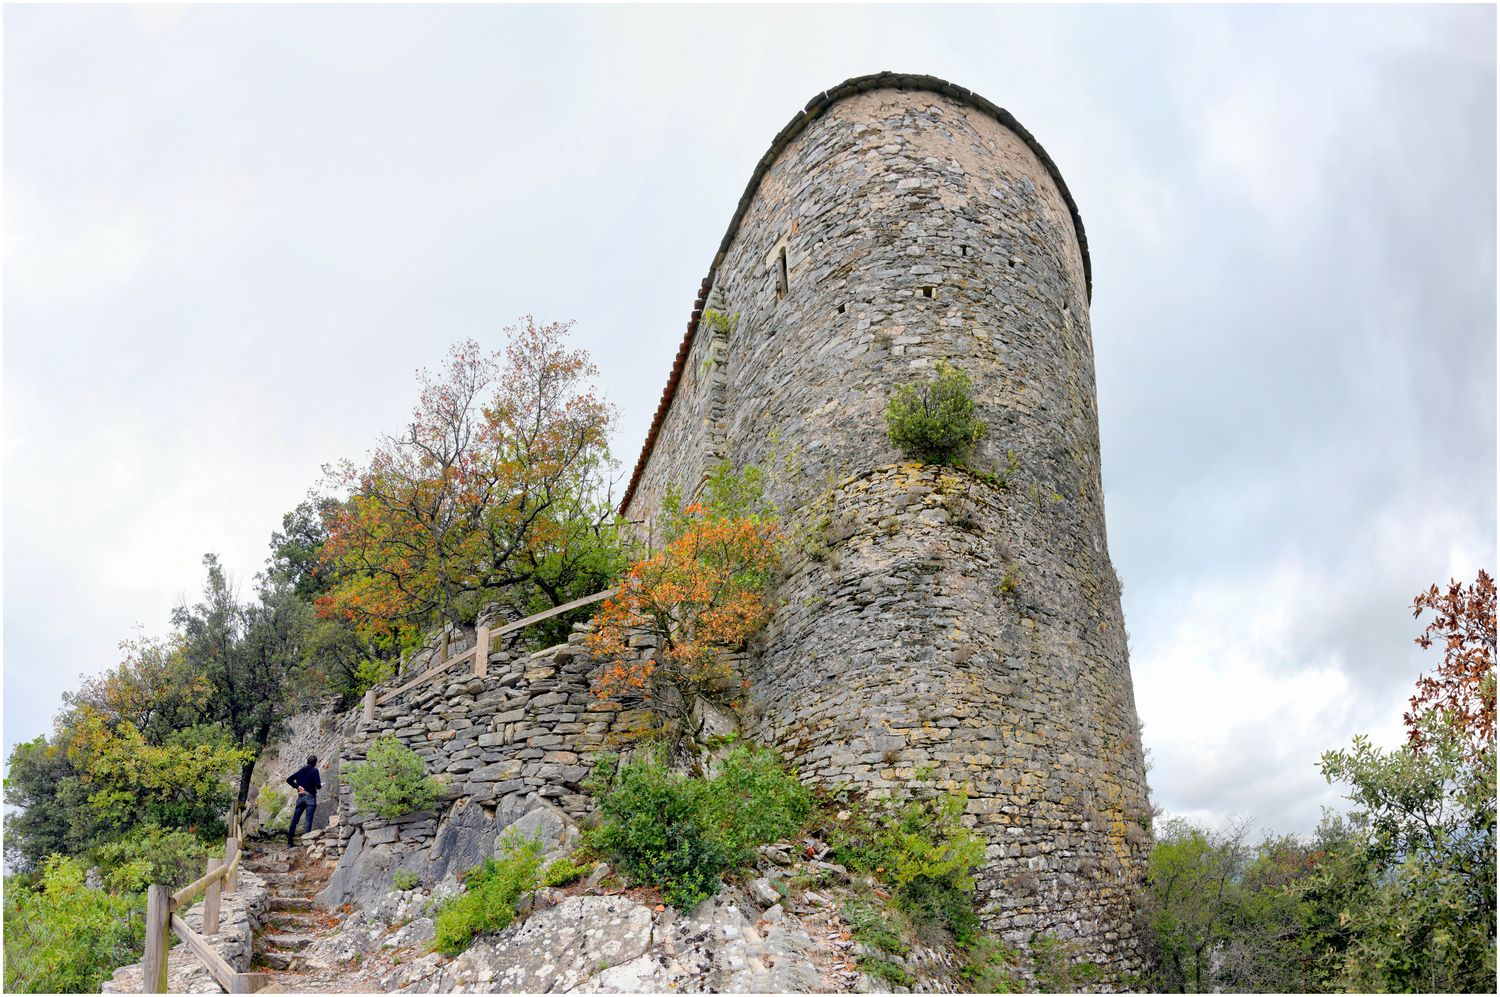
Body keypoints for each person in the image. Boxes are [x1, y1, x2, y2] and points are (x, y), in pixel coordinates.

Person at [286, 754, 322, 847]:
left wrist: (297, 786)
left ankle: (289, 843)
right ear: (315, 763)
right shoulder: (314, 770)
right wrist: (319, 785)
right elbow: (318, 785)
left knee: (294, 821)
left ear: (307, 761)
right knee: (308, 820)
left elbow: (289, 780)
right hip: (310, 797)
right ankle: (307, 845)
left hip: (301, 797)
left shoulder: (300, 771)